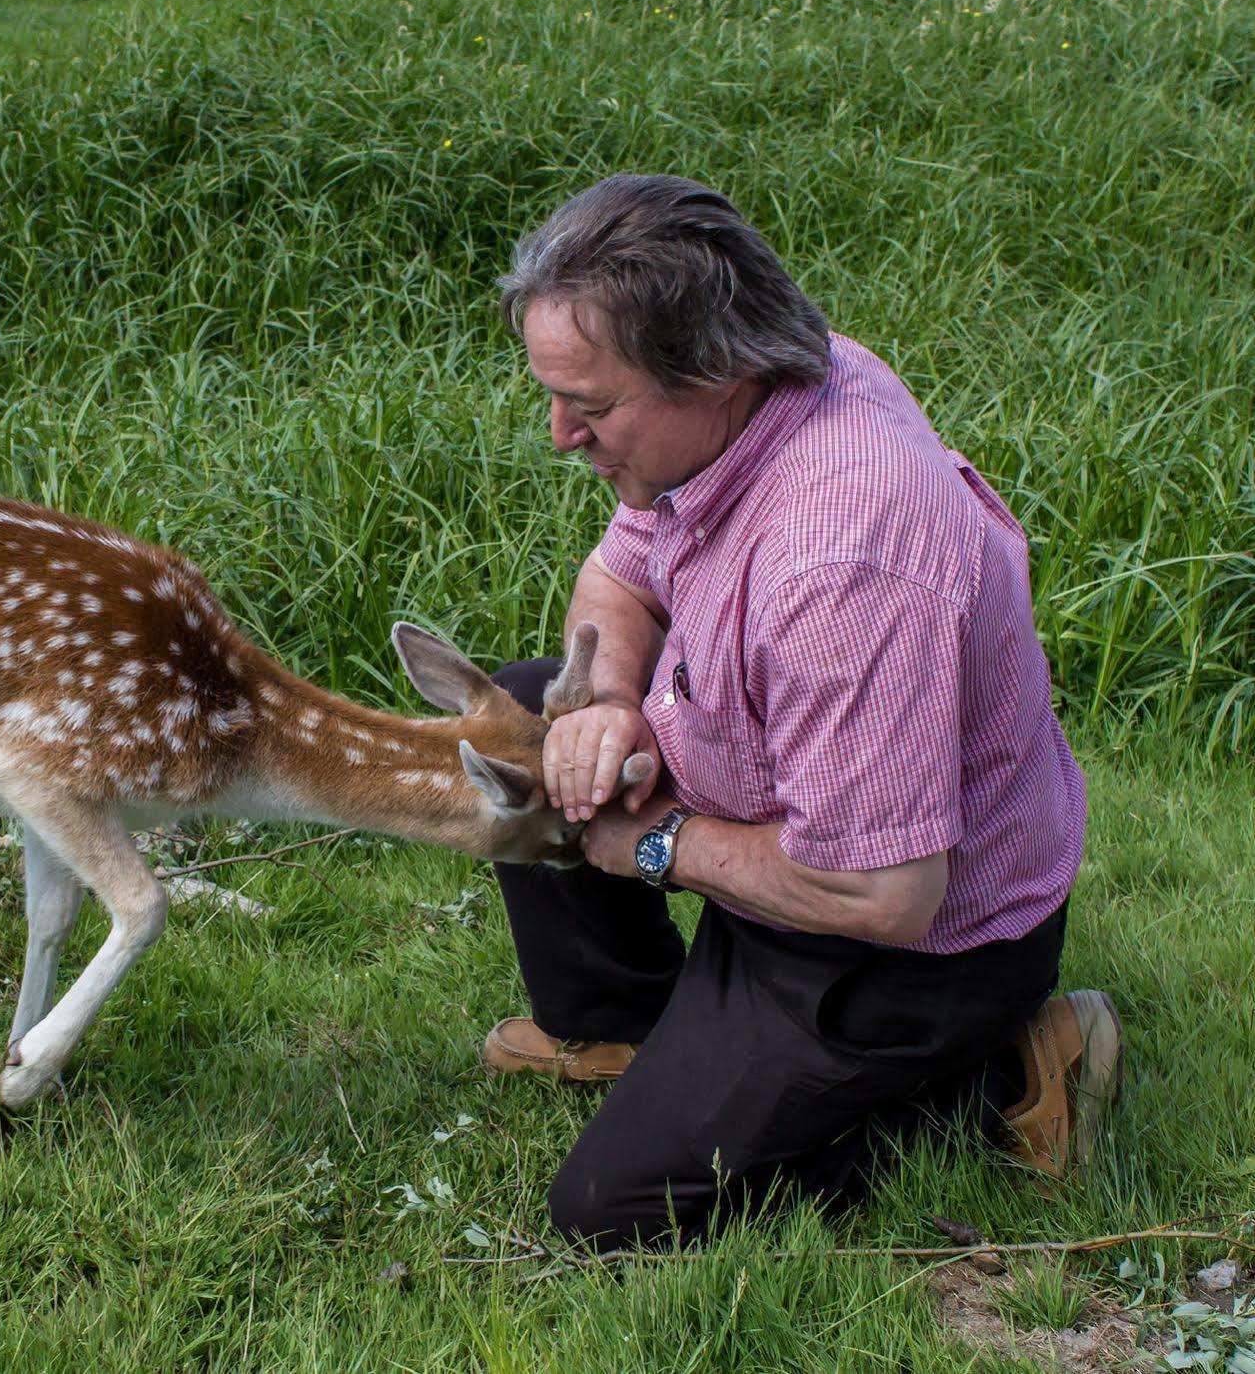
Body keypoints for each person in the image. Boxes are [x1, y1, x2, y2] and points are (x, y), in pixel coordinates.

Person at [481, 173, 1122, 1252]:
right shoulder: (766, 388)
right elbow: (617, 579)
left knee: (613, 1214)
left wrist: (652, 842)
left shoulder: (843, 560)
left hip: (900, 943)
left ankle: (1015, 1065)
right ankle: (629, 1029)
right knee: (522, 719)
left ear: (713, 369)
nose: (559, 436)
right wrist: (606, 706)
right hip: (794, 793)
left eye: (589, 407)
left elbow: (885, 894)